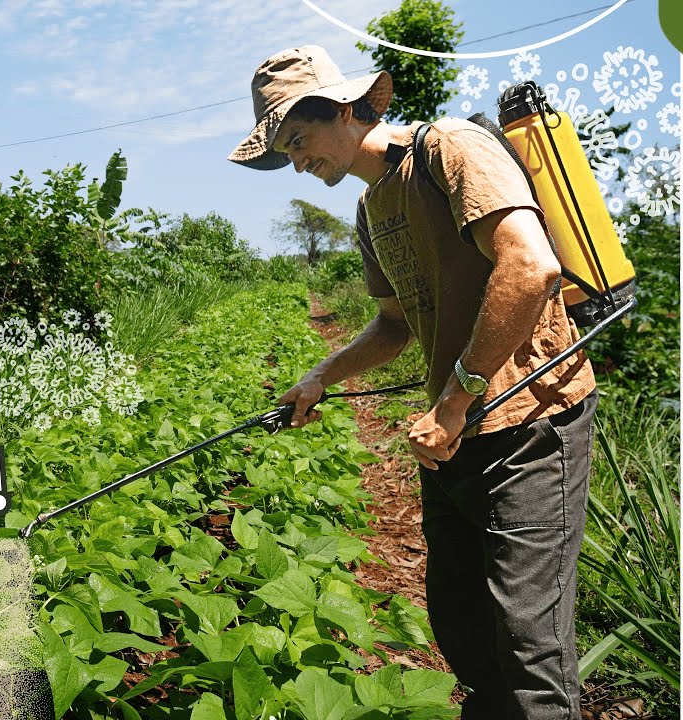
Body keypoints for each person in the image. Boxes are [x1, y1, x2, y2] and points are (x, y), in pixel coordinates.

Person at [228, 46, 598, 720]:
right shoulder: (372, 209)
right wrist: (319, 375)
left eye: (301, 140)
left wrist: (455, 400)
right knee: (461, 623)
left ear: (343, 107)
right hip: (453, 437)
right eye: (286, 151)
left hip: (531, 424)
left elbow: (530, 265)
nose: (299, 162)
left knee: (527, 647)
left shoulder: (453, 149)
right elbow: (394, 325)